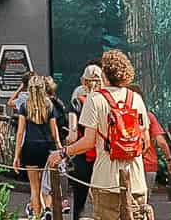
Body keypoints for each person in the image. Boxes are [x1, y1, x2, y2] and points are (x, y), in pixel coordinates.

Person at [51, 48, 151, 220]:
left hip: (106, 180)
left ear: (105, 74)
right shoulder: (136, 98)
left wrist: (62, 153)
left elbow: (88, 142)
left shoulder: (95, 99)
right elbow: (145, 142)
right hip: (135, 179)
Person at [16, 75, 62, 217]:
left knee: (34, 188)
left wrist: (16, 155)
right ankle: (46, 211)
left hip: (30, 147)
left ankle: (37, 215)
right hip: (46, 148)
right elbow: (54, 132)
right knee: (45, 185)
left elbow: (20, 132)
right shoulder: (49, 105)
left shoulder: (25, 106)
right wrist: (60, 149)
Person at [66, 63, 105, 218]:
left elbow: (72, 135)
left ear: (83, 81)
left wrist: (66, 147)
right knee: (104, 201)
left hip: (83, 157)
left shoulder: (77, 103)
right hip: (104, 157)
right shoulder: (106, 102)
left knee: (79, 201)